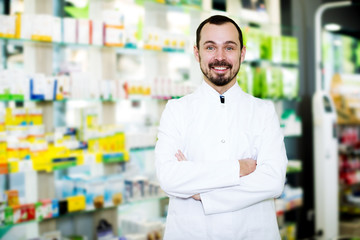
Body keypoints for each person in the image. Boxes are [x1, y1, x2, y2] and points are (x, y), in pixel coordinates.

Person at [155, 15, 288, 240]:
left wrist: (203, 193)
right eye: (210, 47)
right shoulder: (175, 111)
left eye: (229, 48)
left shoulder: (264, 112)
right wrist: (239, 168)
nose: (219, 57)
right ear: (197, 53)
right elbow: (169, 177)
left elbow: (273, 181)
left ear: (242, 53)